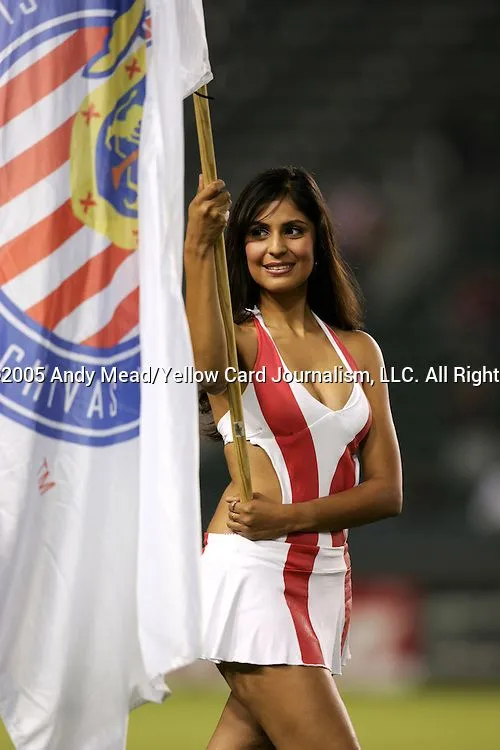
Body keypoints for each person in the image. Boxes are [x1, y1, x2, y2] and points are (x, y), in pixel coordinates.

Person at [184, 166, 403, 750]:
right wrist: (197, 246)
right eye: (258, 232)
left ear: (318, 240)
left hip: (325, 578)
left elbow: (387, 491)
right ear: (240, 248)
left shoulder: (360, 350)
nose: (276, 247)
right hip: (254, 573)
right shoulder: (239, 341)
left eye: (292, 229)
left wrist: (290, 517)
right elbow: (207, 364)